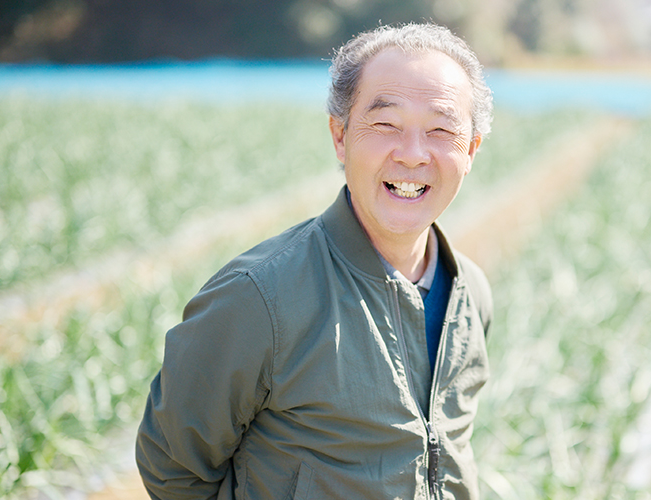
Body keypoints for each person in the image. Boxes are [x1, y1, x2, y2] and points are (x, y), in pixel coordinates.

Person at [135, 22, 494, 499]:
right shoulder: (259, 296)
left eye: (441, 130)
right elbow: (172, 468)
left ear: (470, 150)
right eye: (385, 124)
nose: (412, 155)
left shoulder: (469, 292)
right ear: (340, 136)